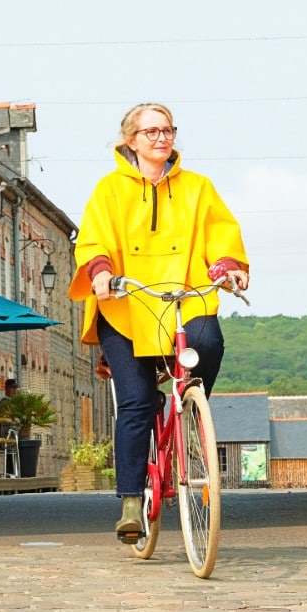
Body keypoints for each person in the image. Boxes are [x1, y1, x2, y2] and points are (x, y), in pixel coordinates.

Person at [68, 103, 249, 538]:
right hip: (127, 305)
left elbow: (220, 232)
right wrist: (102, 273)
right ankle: (131, 502)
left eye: (167, 130)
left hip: (184, 298)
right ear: (131, 139)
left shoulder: (198, 188)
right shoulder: (110, 190)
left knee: (209, 340)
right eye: (150, 131)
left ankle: (190, 411)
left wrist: (228, 267)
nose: (161, 138)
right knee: (137, 401)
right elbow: (93, 239)